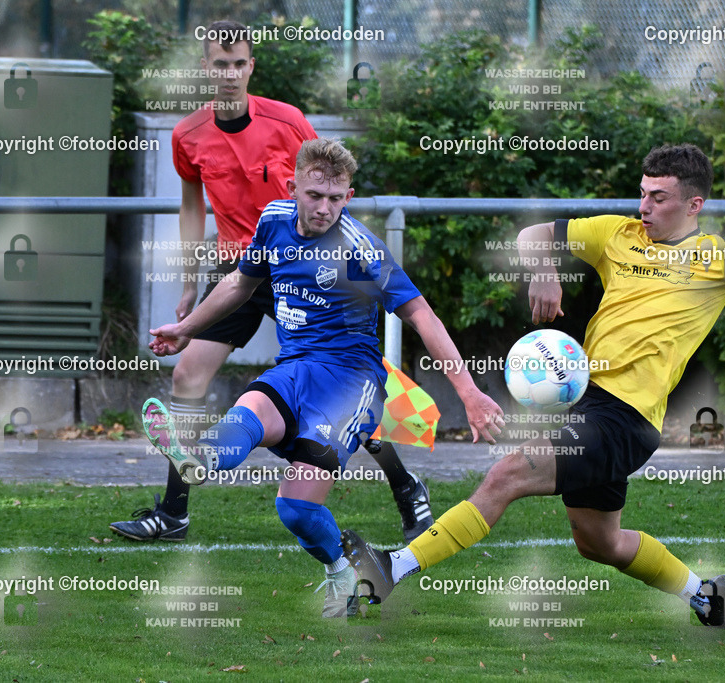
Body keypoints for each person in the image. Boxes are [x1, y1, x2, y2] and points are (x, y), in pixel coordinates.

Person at [341, 143, 725, 628]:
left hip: (626, 416)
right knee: (601, 543)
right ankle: (706, 596)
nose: (644, 206)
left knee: (506, 474)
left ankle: (394, 566)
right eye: (642, 192)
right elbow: (531, 237)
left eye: (658, 197)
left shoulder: (721, 259)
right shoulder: (615, 233)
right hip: (591, 405)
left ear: (693, 204)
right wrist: (545, 269)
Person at [142, 137, 504, 617]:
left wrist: (469, 391)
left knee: (296, 510)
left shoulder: (361, 250)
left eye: (336, 199)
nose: (324, 208)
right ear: (293, 187)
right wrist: (186, 329)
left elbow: (423, 317)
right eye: (314, 195)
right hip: (295, 369)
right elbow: (239, 283)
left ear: (348, 198)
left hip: (350, 383)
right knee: (247, 416)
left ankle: (340, 571)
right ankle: (199, 458)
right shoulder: (273, 222)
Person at [110, 20, 433, 544]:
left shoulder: (287, 122)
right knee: (187, 375)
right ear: (205, 68)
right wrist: (190, 286)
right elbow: (191, 210)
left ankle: (406, 487)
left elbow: (329, 184)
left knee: (342, 390)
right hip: (241, 270)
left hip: (308, 268)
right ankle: (173, 513)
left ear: (252, 66)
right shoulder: (187, 135)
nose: (231, 74)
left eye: (240, 64)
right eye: (220, 64)